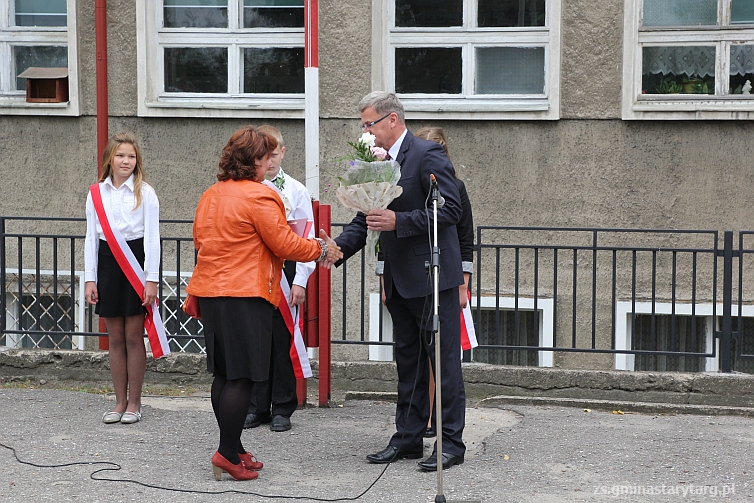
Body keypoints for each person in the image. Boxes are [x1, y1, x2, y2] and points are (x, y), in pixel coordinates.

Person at [186, 125, 342, 482]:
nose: (269, 162)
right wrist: (321, 249)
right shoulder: (260, 195)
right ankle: (226, 453)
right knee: (243, 377)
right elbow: (284, 244)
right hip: (246, 293)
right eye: (265, 156)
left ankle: (234, 446)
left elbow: (199, 238)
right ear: (254, 160)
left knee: (224, 374)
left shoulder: (212, 193)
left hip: (211, 292)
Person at [332, 92, 467, 471]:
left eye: (369, 124)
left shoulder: (427, 154)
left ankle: (451, 443)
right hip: (399, 281)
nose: (366, 132)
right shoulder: (377, 163)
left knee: (443, 364)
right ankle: (407, 438)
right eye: (362, 126)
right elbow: (367, 217)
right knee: (407, 364)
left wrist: (400, 223)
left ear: (392, 120)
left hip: (432, 279)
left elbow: (451, 210)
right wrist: (338, 248)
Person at [85, 132, 160, 425]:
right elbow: (91, 237)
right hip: (107, 263)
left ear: (136, 160)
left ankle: (135, 403)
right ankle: (118, 401)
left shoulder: (146, 192)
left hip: (136, 263)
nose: (125, 161)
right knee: (114, 337)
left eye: (131, 156)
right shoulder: (96, 193)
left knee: (133, 336)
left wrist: (151, 279)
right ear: (109, 160)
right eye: (120, 155)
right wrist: (90, 278)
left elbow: (153, 238)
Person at [244, 125, 315, 433]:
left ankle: (283, 407)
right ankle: (257, 406)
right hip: (256, 270)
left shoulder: (296, 191)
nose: (269, 162)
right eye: (263, 156)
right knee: (256, 340)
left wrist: (300, 280)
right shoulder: (248, 187)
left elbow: (305, 237)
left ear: (283, 153)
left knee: (282, 339)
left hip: (285, 270)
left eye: (273, 155)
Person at [412, 126, 475, 439]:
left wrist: (464, 282)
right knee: (417, 356)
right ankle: (421, 419)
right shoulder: (407, 184)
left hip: (444, 278)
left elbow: (465, 236)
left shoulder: (455, 188)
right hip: (413, 280)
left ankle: (440, 420)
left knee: (443, 355)